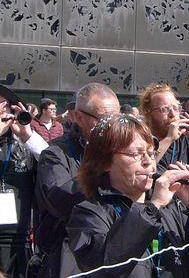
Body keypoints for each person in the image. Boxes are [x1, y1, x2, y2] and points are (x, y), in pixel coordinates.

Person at [66, 114, 189, 277]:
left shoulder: (174, 208)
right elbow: (105, 268)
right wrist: (153, 206)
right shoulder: (88, 213)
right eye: (136, 154)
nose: (148, 162)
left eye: (151, 153)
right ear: (104, 162)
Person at [35, 83, 120, 278]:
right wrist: (102, 170)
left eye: (117, 119)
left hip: (113, 244)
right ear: (79, 117)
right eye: (104, 119)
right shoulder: (55, 152)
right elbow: (58, 199)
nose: (112, 126)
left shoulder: (121, 150)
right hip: (68, 251)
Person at [0, 85, 48, 278]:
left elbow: (54, 163)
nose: (3, 113)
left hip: (18, 237)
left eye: (6, 108)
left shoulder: (24, 145)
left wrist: (28, 135)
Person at [140, 82, 189, 175]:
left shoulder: (186, 142)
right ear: (148, 113)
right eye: (164, 109)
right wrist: (169, 139)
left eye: (175, 108)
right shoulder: (141, 138)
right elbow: (143, 165)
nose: (172, 114)